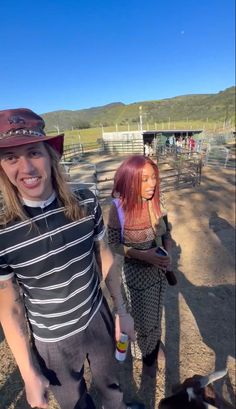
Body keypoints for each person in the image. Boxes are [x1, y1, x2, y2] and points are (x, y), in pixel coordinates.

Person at [0, 108, 145, 409]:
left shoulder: (86, 201)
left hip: (98, 317)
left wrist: (120, 309)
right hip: (52, 342)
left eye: (33, 153)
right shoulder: (3, 231)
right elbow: (10, 309)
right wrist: (28, 374)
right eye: (11, 157)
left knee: (111, 388)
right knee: (75, 404)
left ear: (50, 156)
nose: (26, 167)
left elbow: (105, 255)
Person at [107, 155, 173, 377]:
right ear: (130, 179)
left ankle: (152, 348)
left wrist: (167, 251)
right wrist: (144, 256)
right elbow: (114, 244)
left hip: (158, 274)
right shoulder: (118, 209)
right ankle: (144, 355)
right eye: (144, 179)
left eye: (153, 178)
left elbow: (166, 230)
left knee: (155, 315)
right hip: (135, 277)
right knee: (140, 320)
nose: (152, 184)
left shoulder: (155, 203)